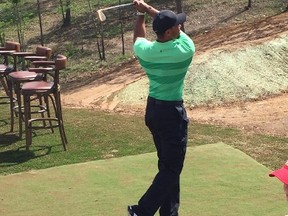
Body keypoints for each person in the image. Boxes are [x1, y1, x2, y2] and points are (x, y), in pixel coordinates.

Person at [128, 0, 195, 215]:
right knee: (172, 168)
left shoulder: (145, 51)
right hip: (171, 113)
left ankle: (169, 212)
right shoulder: (185, 50)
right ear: (168, 32)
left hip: (154, 111)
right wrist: (148, 8)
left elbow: (138, 37)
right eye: (176, 25)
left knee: (167, 165)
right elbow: (178, 31)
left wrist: (141, 14)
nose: (180, 27)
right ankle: (143, 210)